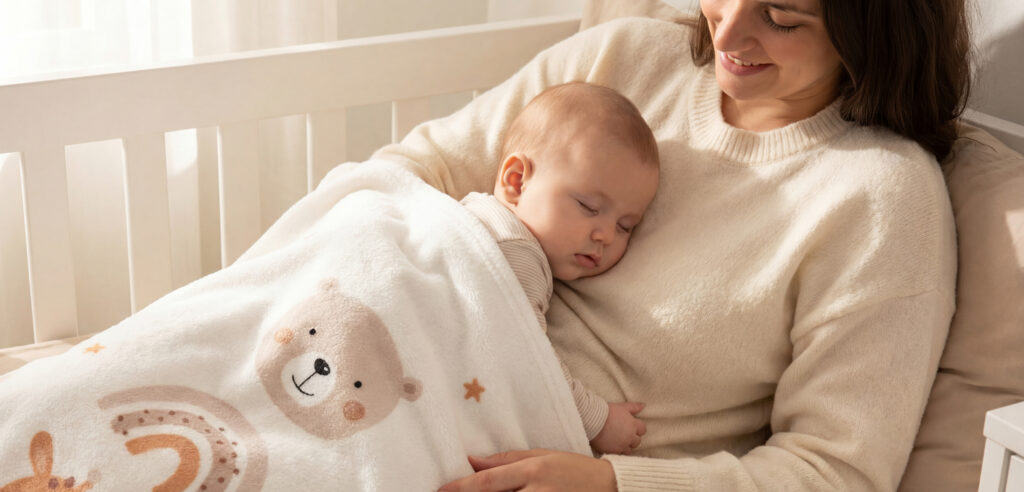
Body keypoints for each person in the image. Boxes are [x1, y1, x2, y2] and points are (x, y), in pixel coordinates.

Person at [374, 0, 971, 489]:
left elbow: (835, 472)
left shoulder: (882, 197)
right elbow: (407, 172)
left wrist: (611, 484)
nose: (728, 29)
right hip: (410, 377)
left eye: (781, 17)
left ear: (871, 31)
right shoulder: (626, 55)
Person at [460, 81, 660, 455]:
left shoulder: (474, 211)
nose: (604, 235)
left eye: (625, 226)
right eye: (587, 205)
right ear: (516, 181)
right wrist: (596, 420)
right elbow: (525, 359)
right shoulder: (514, 251)